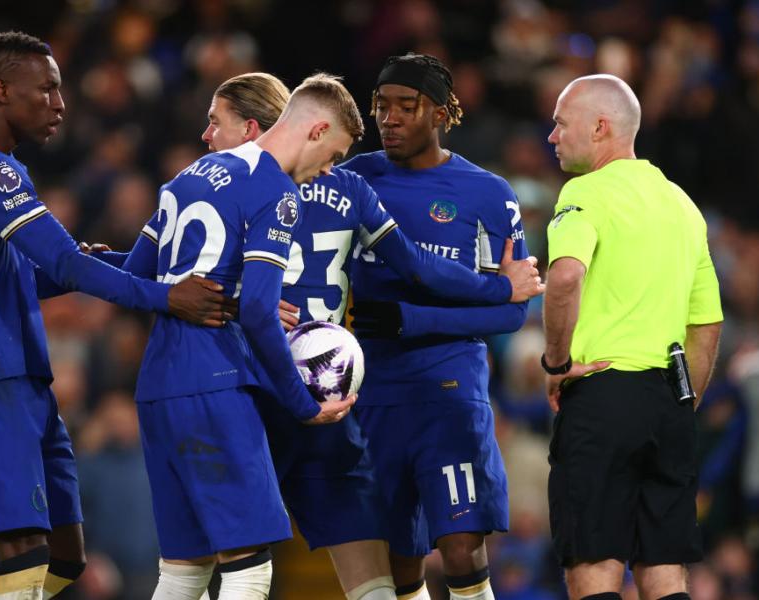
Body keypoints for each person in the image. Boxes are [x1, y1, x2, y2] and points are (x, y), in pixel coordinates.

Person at [147, 72, 539, 600]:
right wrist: (499, 289)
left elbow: (163, 276)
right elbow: (417, 265)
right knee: (368, 573)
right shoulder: (351, 183)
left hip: (249, 389)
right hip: (324, 390)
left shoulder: (224, 187)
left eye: (215, 123)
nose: (207, 137)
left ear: (254, 128)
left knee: (207, 570)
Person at [0, 31, 231, 600]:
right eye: (46, 90)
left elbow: (34, 274)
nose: (60, 104)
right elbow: (64, 263)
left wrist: (133, 269)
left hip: (16, 374)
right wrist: (167, 296)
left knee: (65, 558)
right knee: (24, 553)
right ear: (1, 89)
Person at [118, 73, 362, 600]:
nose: (329, 169)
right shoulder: (277, 192)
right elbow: (256, 310)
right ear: (317, 130)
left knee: (183, 572)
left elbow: (137, 279)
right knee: (248, 569)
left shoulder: (188, 175)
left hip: (158, 386)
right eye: (334, 154)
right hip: (216, 384)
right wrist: (302, 403)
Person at [344, 53, 534, 600]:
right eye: (382, 106)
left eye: (407, 106)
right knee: (398, 550)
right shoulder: (359, 179)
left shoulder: (487, 193)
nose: (390, 118)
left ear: (441, 112)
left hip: (449, 384)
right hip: (373, 386)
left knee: (459, 543)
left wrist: (411, 319)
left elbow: (511, 310)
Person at [541, 74, 723, 600]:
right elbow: (707, 322)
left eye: (560, 123)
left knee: (594, 567)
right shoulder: (683, 205)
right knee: (664, 572)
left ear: (600, 128)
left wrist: (555, 365)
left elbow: (565, 276)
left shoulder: (585, 191)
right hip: (669, 402)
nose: (552, 136)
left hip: (601, 397)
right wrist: (684, 402)